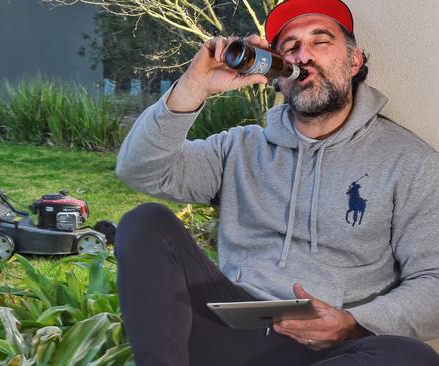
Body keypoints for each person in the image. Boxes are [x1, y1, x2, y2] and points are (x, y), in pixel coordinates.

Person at [114, 0, 439, 365]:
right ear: (278, 72)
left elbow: (434, 281)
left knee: (410, 356)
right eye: (291, 47)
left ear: (354, 61)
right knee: (145, 223)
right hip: (230, 334)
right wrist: (194, 86)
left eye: (321, 42)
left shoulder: (409, 161)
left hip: (331, 350)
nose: (305, 56)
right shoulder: (239, 148)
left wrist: (352, 323)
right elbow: (139, 170)